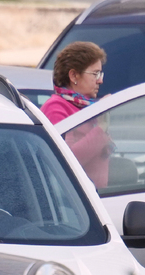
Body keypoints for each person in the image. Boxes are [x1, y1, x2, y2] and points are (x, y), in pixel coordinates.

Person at [41, 41, 114, 189]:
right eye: (95, 74)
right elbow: (65, 160)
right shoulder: (55, 107)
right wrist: (101, 129)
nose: (100, 80)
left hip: (97, 196)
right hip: (71, 202)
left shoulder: (87, 107)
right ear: (74, 75)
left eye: (100, 73)